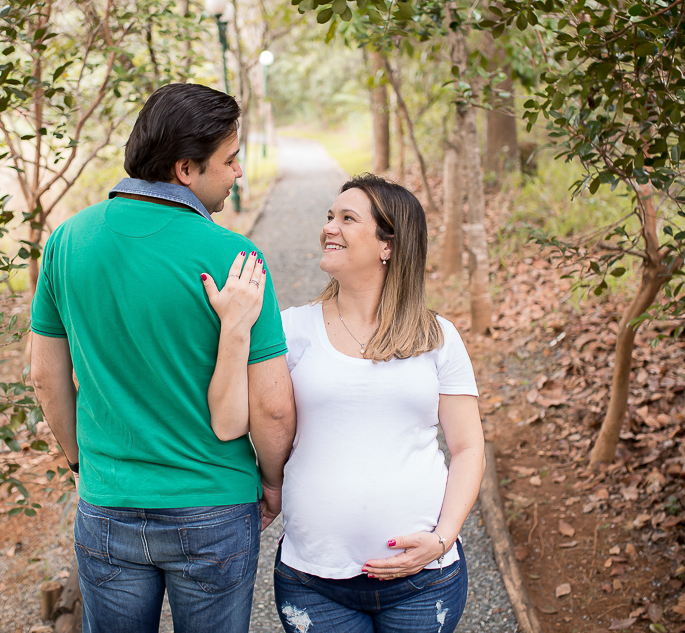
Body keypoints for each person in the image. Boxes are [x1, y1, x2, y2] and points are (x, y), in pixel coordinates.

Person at [28, 83, 296, 633]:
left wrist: (81, 464)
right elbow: (272, 407)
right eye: (230, 159)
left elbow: (43, 378)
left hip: (109, 503)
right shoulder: (237, 258)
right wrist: (272, 483)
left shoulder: (67, 241)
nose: (238, 171)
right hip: (214, 506)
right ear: (185, 169)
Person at [204, 174, 485, 633]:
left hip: (424, 580)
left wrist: (443, 538)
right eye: (330, 216)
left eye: (348, 219)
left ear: (387, 245)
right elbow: (229, 420)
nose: (329, 227)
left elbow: (468, 447)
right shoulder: (291, 329)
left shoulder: (438, 337)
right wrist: (234, 328)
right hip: (314, 581)